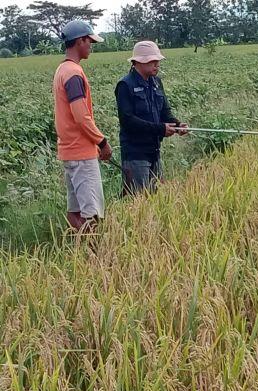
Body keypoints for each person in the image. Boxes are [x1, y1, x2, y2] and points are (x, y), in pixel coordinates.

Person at [53, 20, 112, 232]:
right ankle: (93, 258)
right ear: (80, 41)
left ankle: (79, 255)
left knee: (75, 211)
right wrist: (101, 141)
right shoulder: (74, 73)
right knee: (92, 214)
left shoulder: (62, 69)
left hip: (69, 151)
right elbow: (81, 116)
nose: (91, 46)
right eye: (90, 41)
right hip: (81, 154)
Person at [115, 41, 188, 195]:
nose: (157, 65)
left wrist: (177, 124)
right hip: (135, 154)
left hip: (154, 151)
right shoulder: (125, 85)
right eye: (153, 61)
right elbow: (128, 121)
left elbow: (164, 112)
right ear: (139, 62)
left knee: (157, 198)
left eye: (158, 61)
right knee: (138, 201)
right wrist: (160, 129)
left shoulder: (156, 82)